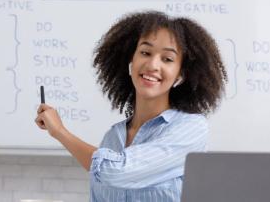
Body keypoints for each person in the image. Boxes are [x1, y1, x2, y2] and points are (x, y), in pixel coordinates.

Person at [35, 11, 227, 202]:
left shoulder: (190, 128)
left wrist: (60, 131)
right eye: (145, 52)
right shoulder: (113, 137)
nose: (152, 64)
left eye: (167, 59)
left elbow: (115, 171)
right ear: (130, 60)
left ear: (180, 74)